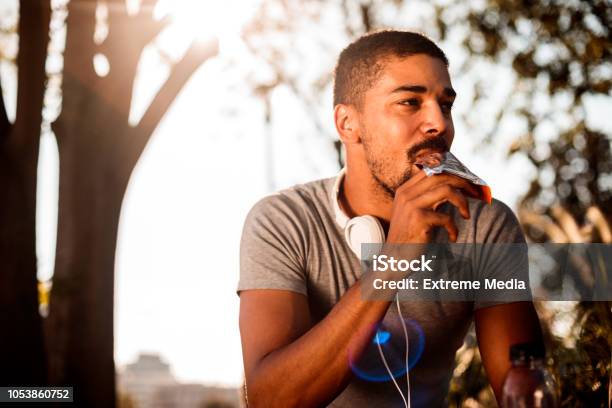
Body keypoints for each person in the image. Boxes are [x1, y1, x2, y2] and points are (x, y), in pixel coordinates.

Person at [237, 30, 543, 407]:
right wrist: (393, 258)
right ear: (348, 124)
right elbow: (270, 400)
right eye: (410, 102)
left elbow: (522, 386)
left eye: (445, 105)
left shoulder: (484, 225)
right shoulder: (281, 222)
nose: (439, 124)